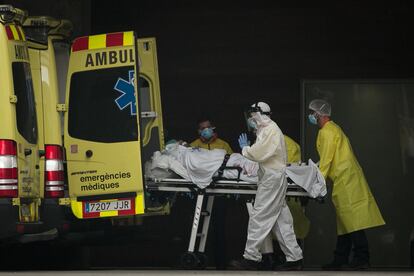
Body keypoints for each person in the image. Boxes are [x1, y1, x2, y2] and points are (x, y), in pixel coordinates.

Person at [308, 99, 385, 270]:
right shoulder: (334, 128)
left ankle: (362, 258)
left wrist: (317, 185)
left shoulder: (327, 132)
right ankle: (340, 258)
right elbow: (329, 158)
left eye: (312, 113)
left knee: (353, 221)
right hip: (346, 178)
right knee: (345, 222)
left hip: (345, 180)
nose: (310, 116)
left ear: (318, 114)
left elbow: (327, 160)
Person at [230, 102, 303, 270]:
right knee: (281, 220)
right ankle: (294, 257)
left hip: (272, 180)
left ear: (260, 113)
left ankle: (251, 257)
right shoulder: (265, 129)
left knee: (259, 216)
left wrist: (245, 149)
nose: (250, 118)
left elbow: (259, 153)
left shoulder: (271, 130)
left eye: (253, 114)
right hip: (271, 178)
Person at [190, 117, 233, 270]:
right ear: (198, 131)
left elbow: (232, 164)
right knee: (197, 228)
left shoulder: (223, 145)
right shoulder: (193, 146)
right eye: (202, 128)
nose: (206, 130)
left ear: (213, 128)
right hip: (201, 193)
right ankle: (197, 261)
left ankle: (221, 264)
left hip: (219, 194)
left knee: (219, 228)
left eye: (208, 127)